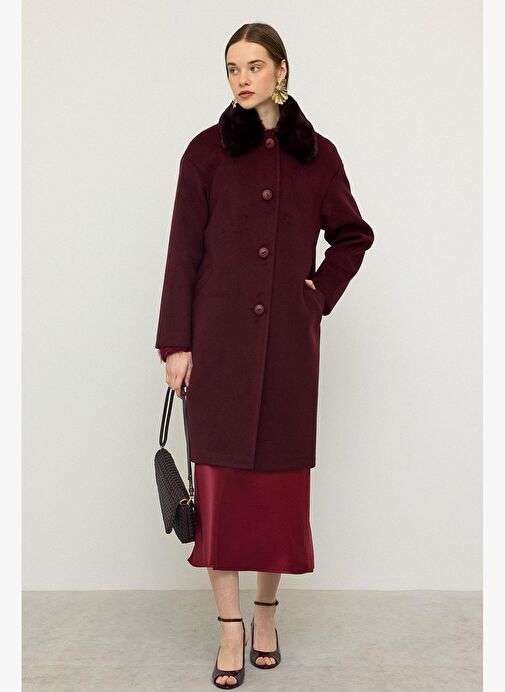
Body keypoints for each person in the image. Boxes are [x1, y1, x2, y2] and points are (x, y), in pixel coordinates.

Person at [155, 22, 374, 689]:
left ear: (281, 70)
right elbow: (182, 252)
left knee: (277, 501)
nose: (242, 79)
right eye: (232, 68)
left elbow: (352, 236)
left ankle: (266, 615)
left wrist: (316, 295)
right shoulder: (205, 153)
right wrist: (176, 342)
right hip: (216, 346)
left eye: (254, 65)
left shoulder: (319, 157)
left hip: (286, 353)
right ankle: (230, 629)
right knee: (220, 498)